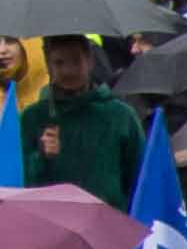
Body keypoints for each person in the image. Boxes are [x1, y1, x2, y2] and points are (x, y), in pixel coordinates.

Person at [12, 36, 147, 210]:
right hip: (52, 223)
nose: (68, 71)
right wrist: (41, 157)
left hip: (109, 223)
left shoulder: (120, 116)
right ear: (48, 65)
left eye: (76, 61)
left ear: (90, 61)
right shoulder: (33, 118)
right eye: (59, 63)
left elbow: (140, 177)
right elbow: (18, 182)